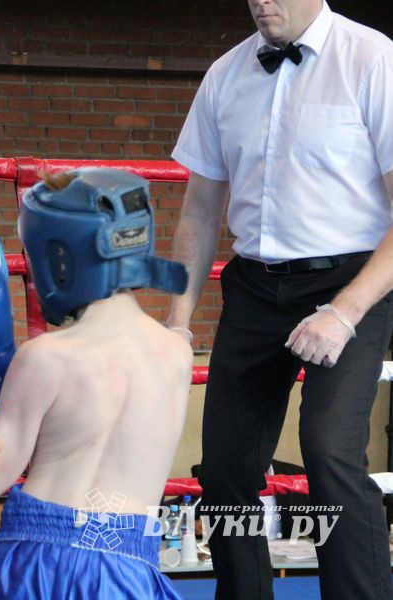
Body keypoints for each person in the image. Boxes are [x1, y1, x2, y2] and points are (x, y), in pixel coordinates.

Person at [165, 1, 393, 598]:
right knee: (225, 469)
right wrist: (176, 324)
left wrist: (343, 313)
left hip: (350, 282)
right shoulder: (225, 73)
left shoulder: (372, 59)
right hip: (253, 285)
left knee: (329, 452)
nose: (261, 1)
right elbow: (198, 211)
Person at [0, 168, 193, 598]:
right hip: (127, 564)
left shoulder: (46, 357)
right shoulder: (177, 355)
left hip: (35, 561)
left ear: (59, 258)